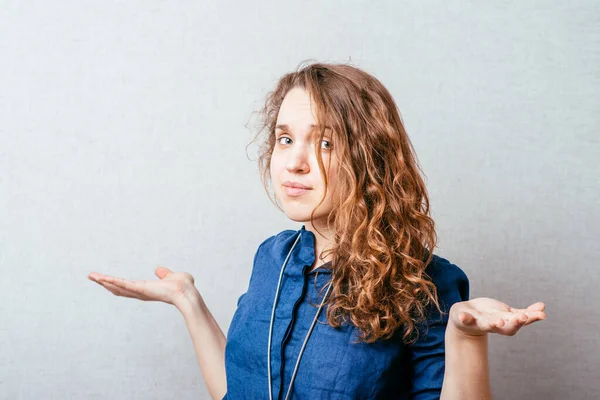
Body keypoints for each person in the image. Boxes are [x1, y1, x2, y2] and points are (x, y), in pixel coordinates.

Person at [88, 62, 547, 400]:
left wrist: (466, 339)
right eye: (286, 138)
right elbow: (239, 392)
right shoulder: (271, 257)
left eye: (326, 142)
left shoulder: (426, 284)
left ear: (369, 159)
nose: (294, 161)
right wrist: (189, 302)